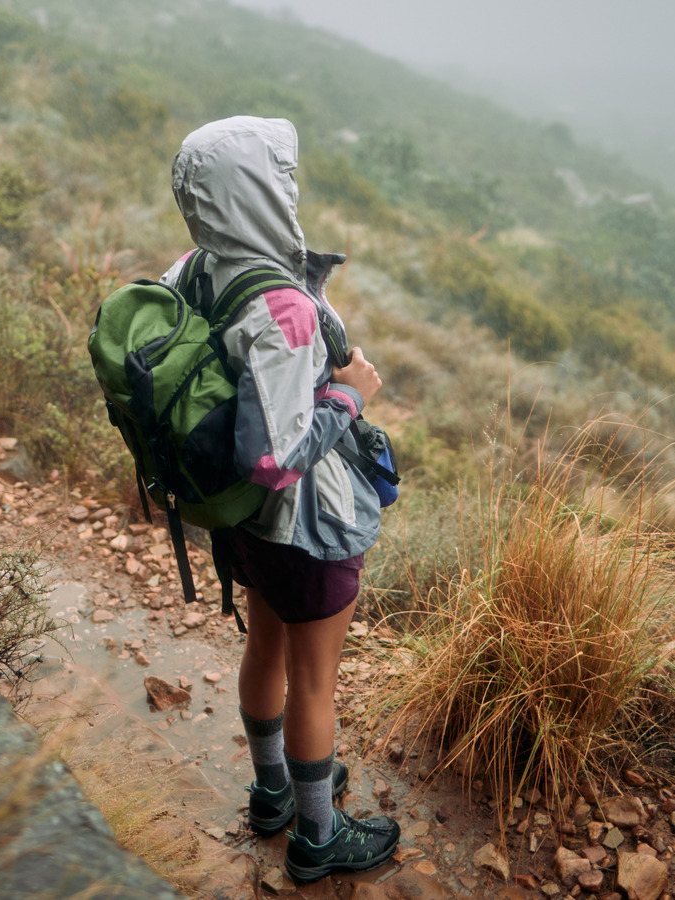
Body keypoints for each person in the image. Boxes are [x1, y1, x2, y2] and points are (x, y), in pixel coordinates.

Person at [163, 116, 399, 884]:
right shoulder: (286, 310)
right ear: (257, 193)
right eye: (279, 178)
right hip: (301, 523)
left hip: (238, 523)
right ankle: (318, 840)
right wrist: (350, 395)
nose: (289, 189)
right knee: (316, 683)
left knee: (263, 648)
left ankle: (272, 795)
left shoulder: (194, 269)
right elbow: (277, 458)